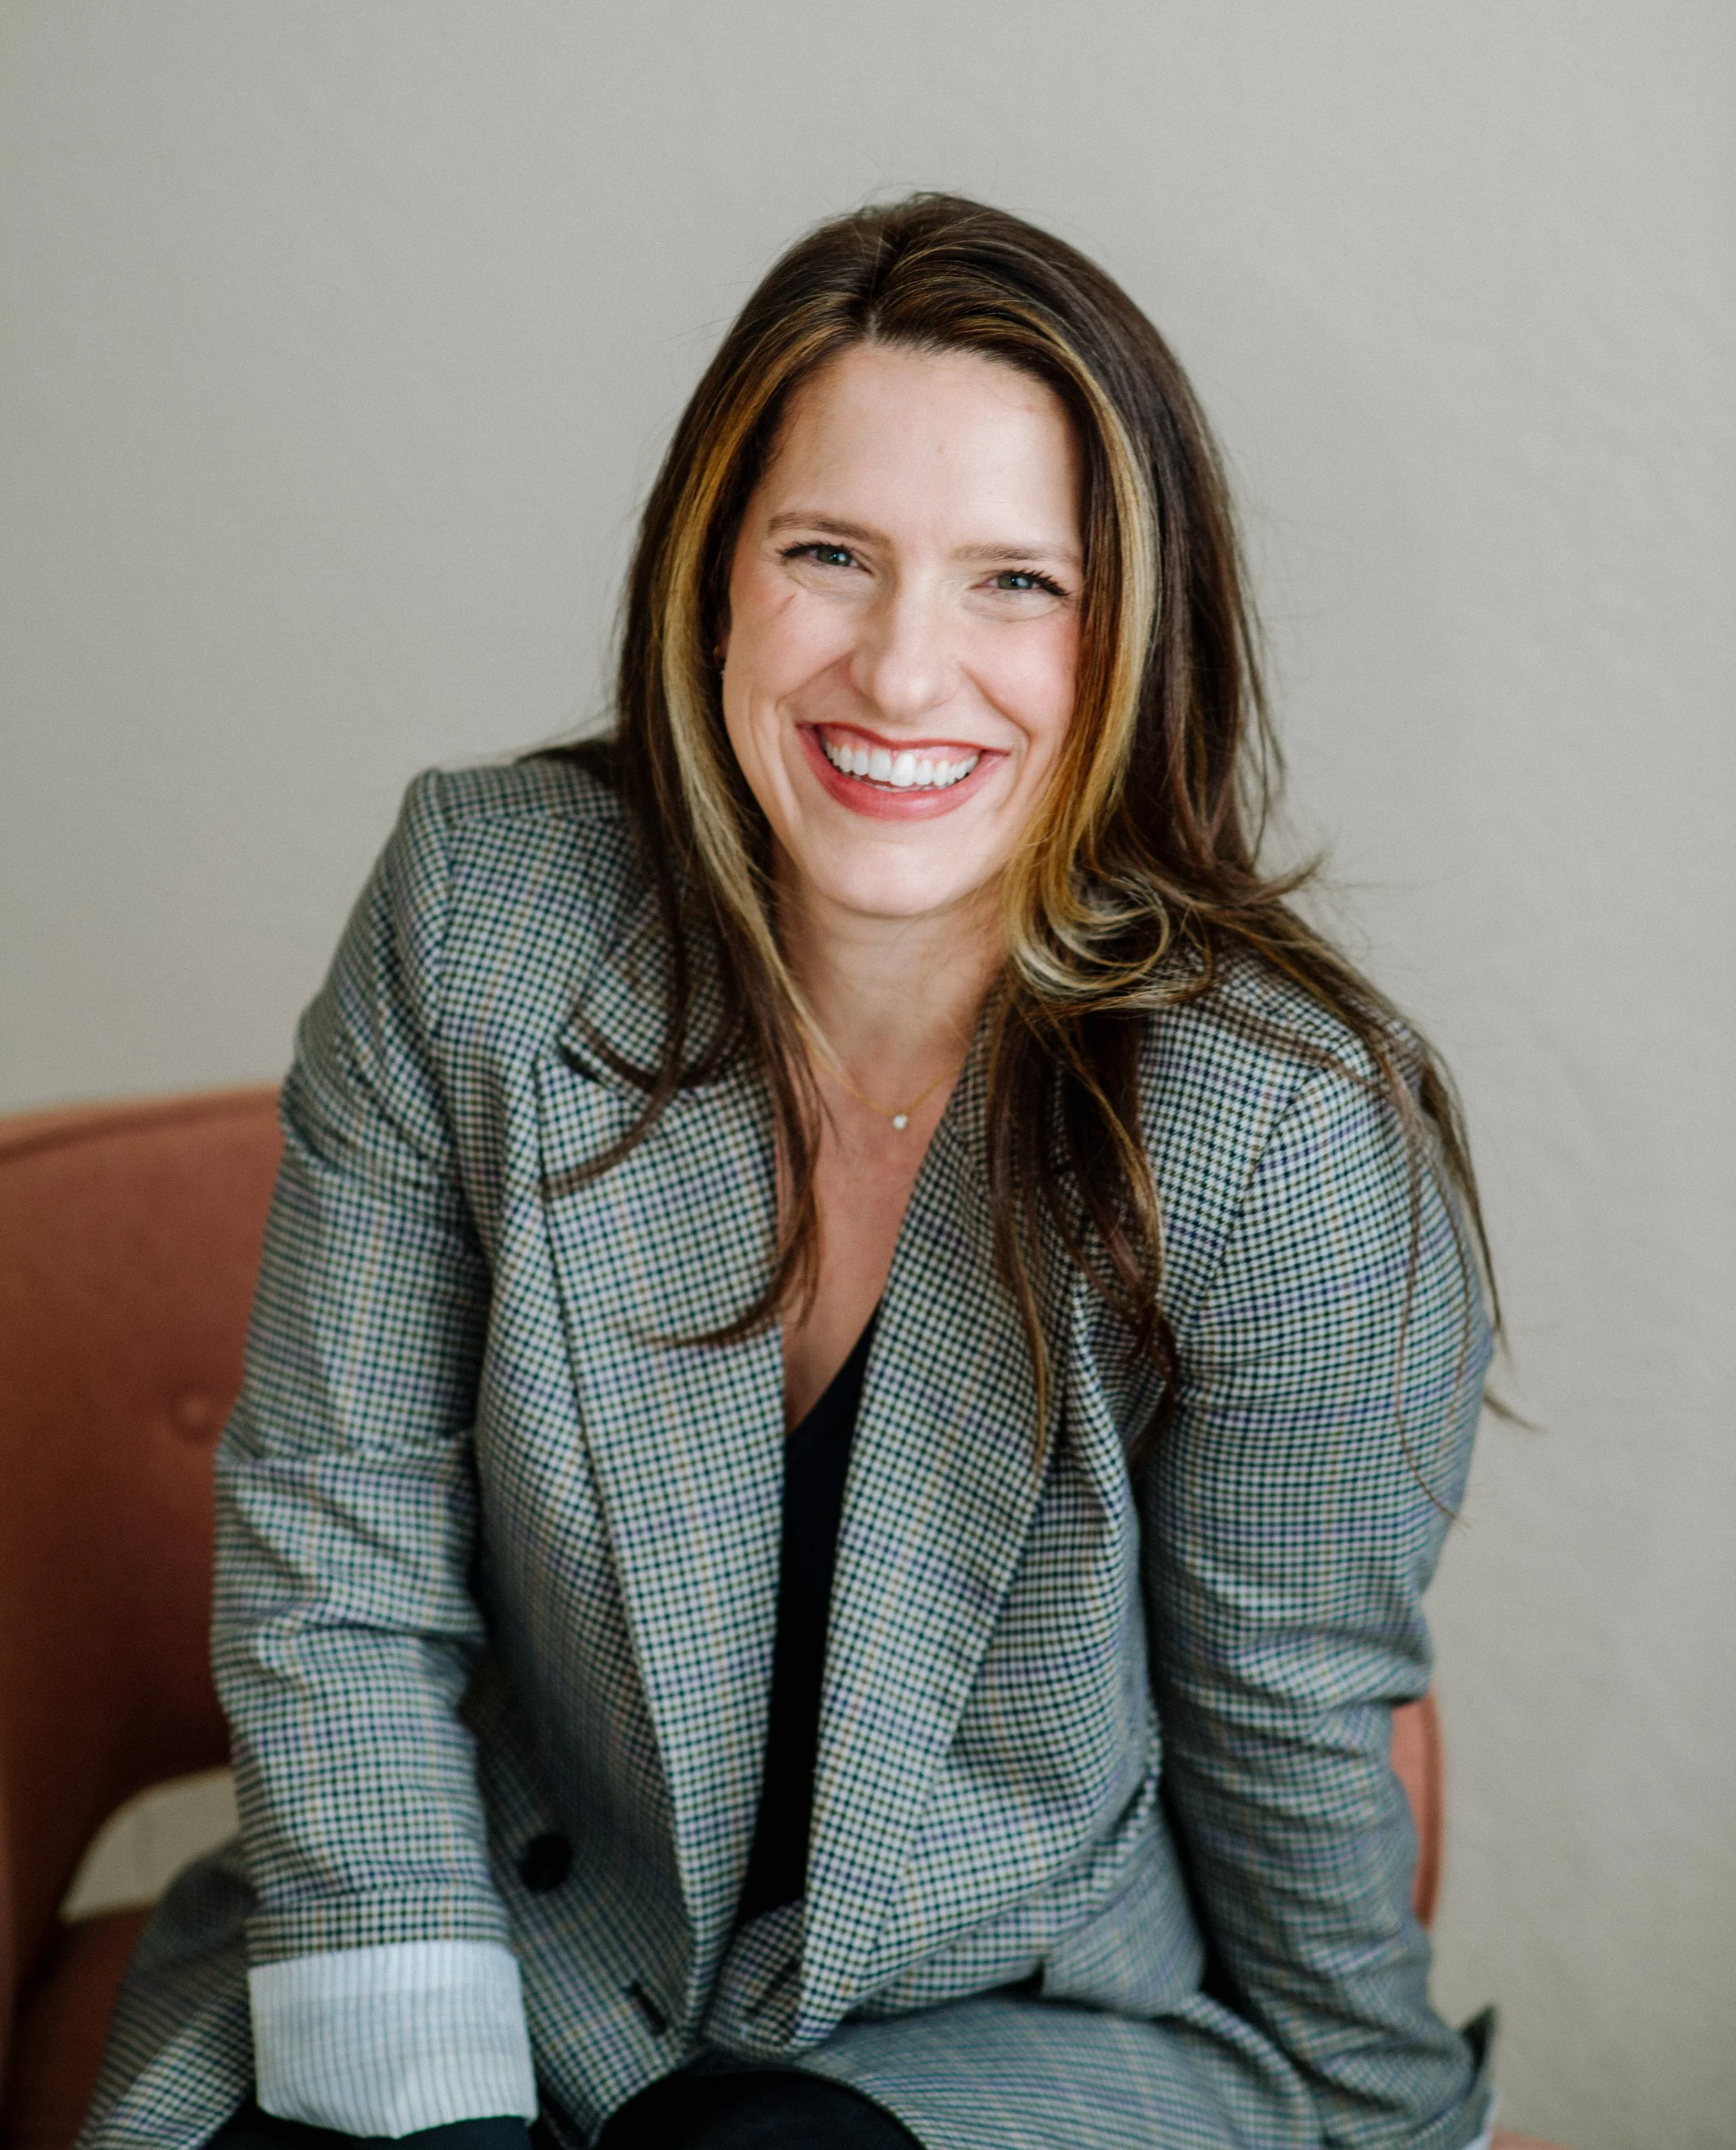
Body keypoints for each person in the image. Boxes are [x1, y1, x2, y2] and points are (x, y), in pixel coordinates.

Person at [82, 196, 1497, 2150]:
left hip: (998, 2025)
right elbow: (341, 1564)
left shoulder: (1282, 1125)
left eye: (1019, 582)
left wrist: (1387, 2120)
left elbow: (1285, 1715)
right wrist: (431, 2110)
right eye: (831, 553)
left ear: (1135, 639)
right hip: (476, 1931)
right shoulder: (479, 911)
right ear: (715, 580)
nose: (905, 672)